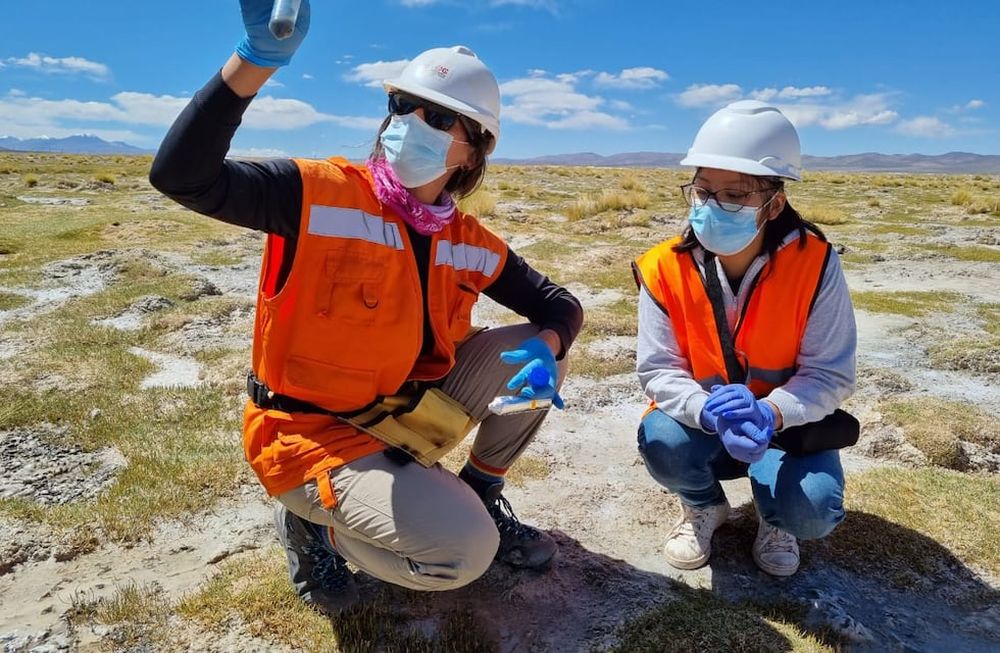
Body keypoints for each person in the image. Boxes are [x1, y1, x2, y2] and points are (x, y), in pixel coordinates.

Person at [149, 0, 583, 613]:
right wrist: (252, 63)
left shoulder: (466, 240)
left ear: (472, 150)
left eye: (434, 115)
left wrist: (547, 343)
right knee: (462, 554)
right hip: (309, 432)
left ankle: (481, 492)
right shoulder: (313, 194)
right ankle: (314, 528)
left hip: (400, 411)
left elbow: (558, 304)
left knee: (544, 354)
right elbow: (181, 176)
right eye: (400, 105)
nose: (407, 121)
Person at [632, 100, 856, 577]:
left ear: (774, 203)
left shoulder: (815, 265)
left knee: (813, 508)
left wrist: (771, 412)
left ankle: (777, 518)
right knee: (662, 439)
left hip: (786, 429)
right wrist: (702, 409)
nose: (713, 205)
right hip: (703, 425)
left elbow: (830, 373)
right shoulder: (663, 267)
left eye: (736, 194)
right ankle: (703, 506)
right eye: (704, 189)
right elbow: (657, 368)